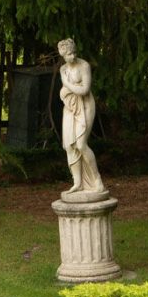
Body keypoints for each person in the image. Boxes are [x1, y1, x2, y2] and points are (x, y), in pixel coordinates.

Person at [57, 38, 104, 195]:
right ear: (63, 55)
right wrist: (68, 90)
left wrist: (66, 84)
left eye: (74, 52)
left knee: (81, 144)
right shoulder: (63, 68)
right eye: (69, 54)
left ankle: (97, 180)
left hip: (85, 107)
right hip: (70, 108)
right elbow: (67, 92)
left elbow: (84, 90)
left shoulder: (84, 66)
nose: (73, 56)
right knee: (70, 146)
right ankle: (77, 182)